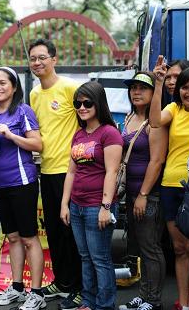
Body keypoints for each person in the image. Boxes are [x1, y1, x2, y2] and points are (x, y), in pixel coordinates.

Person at [28, 38, 82, 309]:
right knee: (53, 231)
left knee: (72, 232)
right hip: (46, 171)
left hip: (70, 171)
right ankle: (61, 282)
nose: (37, 62)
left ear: (54, 59)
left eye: (42, 57)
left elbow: (88, 122)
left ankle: (79, 287)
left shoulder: (71, 88)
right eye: (33, 59)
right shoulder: (34, 94)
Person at [0, 67, 45, 310]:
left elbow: (37, 144)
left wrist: (10, 135)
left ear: (14, 87)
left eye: (2, 83)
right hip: (0, 184)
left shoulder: (23, 111)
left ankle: (37, 293)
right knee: (12, 237)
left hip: (22, 183)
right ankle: (18, 288)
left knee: (29, 238)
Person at [60, 81, 123, 310]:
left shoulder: (109, 133)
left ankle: (104, 305)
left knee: (100, 260)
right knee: (85, 258)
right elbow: (71, 171)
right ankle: (87, 302)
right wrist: (65, 204)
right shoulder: (79, 135)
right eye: (78, 103)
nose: (82, 107)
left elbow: (112, 172)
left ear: (98, 103)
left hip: (98, 206)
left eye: (87, 102)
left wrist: (105, 207)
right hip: (77, 205)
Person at [151, 57, 189, 310]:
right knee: (180, 249)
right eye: (185, 87)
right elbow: (154, 122)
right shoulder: (175, 110)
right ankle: (182, 301)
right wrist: (159, 85)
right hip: (171, 185)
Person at [118, 72, 168, 310]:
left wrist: (144, 195)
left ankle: (154, 300)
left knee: (151, 248)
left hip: (149, 195)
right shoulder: (129, 118)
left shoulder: (154, 122)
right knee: (139, 248)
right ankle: (144, 294)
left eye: (142, 88)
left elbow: (156, 161)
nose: (136, 92)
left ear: (153, 93)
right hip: (131, 194)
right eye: (133, 88)